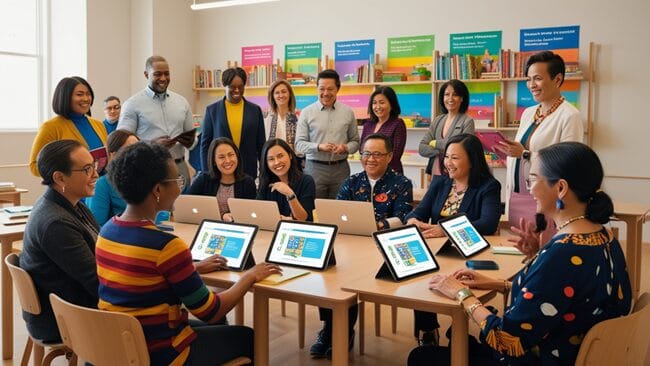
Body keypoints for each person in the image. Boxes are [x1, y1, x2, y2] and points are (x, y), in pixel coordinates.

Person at [409, 142, 632, 365]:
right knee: (461, 339)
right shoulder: (603, 236)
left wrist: (463, 295)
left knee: (421, 357)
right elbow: (560, 294)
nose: (530, 189)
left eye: (533, 179)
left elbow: (506, 340)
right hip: (577, 350)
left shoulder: (562, 254)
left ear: (561, 188)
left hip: (537, 357)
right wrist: (501, 283)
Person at [96, 141, 282, 366]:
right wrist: (249, 276)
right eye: (177, 181)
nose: (180, 188)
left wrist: (193, 268)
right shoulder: (167, 245)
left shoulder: (107, 231)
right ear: (157, 190)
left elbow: (143, 281)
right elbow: (210, 311)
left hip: (118, 343)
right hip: (160, 352)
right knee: (247, 337)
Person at [310, 133, 413, 359]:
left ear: (389, 156)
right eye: (366, 153)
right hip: (349, 243)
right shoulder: (352, 181)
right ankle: (329, 327)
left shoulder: (401, 183)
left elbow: (403, 217)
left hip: (381, 247)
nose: (371, 159)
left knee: (349, 278)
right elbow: (337, 210)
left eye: (377, 154)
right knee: (328, 269)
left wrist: (378, 223)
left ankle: (344, 330)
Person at [405, 133, 501, 345]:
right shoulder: (440, 183)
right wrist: (413, 221)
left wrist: (446, 230)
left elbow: (488, 223)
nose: (448, 163)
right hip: (437, 249)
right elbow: (416, 212)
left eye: (455, 158)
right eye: (447, 157)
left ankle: (462, 327)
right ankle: (428, 329)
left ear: (472, 160)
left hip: (469, 253)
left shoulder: (488, 186)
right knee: (420, 274)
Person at [496, 51, 584, 247]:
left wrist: (525, 154)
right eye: (529, 79)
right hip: (518, 196)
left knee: (544, 253)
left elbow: (570, 162)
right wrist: (510, 151)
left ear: (557, 79)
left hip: (546, 200)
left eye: (537, 78)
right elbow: (525, 149)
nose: (531, 85)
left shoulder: (570, 116)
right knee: (521, 252)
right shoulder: (528, 113)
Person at [20, 139, 100, 342]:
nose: (96, 174)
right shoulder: (56, 223)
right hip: (61, 318)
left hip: (69, 304)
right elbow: (97, 283)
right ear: (60, 178)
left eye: (95, 166)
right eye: (87, 169)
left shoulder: (71, 203)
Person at [118, 55, 196, 187]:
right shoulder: (132, 104)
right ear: (146, 74)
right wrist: (151, 146)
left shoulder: (182, 102)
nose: (163, 78)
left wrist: (191, 142)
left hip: (179, 168)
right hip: (149, 169)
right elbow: (121, 144)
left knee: (183, 207)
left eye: (167, 74)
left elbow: (193, 140)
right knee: (152, 207)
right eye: (157, 74)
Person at [295, 69, 360, 199]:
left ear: (338, 89)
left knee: (340, 210)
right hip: (314, 168)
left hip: (340, 168)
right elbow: (299, 145)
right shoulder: (307, 112)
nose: (325, 93)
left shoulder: (348, 112)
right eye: (322, 89)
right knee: (314, 209)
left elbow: (356, 142)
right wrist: (319, 147)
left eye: (330, 89)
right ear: (317, 89)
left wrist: (346, 148)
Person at [29, 76, 108, 177]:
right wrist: (66, 171)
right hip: (69, 190)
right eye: (79, 94)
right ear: (65, 97)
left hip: (98, 186)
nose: (85, 98)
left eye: (88, 94)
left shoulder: (99, 125)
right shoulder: (51, 127)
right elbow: (34, 166)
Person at [200, 67, 265, 179]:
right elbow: (205, 145)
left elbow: (261, 145)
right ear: (224, 86)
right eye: (232, 87)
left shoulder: (255, 110)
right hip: (220, 171)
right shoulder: (212, 111)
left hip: (248, 171)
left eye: (240, 87)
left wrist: (264, 171)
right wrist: (207, 172)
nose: (237, 90)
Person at [186, 137, 256, 222]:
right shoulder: (203, 179)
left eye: (231, 155)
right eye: (221, 157)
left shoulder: (248, 182)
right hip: (207, 226)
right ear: (214, 161)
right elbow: (187, 205)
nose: (227, 160)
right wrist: (222, 216)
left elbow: (251, 214)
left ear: (237, 156)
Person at [418, 79, 474, 177]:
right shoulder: (437, 120)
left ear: (462, 98)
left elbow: (463, 149)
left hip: (457, 175)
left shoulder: (467, 121)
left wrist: (435, 143)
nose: (450, 98)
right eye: (447, 94)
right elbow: (422, 148)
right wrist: (444, 152)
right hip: (434, 174)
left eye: (455, 95)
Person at [87, 130, 139, 226]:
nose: (136, 155)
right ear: (113, 155)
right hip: (117, 239)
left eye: (139, 149)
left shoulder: (144, 180)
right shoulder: (101, 185)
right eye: (129, 150)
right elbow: (97, 227)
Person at [257, 138, 315, 222]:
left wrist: (290, 194)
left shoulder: (306, 181)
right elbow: (258, 212)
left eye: (280, 156)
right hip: (271, 229)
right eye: (271, 159)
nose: (277, 162)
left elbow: (304, 219)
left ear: (290, 155)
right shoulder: (266, 181)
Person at [360, 86, 407, 174]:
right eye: (374, 103)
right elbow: (362, 150)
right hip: (370, 172)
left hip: (391, 173)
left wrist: (374, 161)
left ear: (391, 104)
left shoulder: (398, 124)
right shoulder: (368, 124)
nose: (377, 107)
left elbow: (395, 155)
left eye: (382, 102)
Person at [264, 79, 298, 150]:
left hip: (293, 158)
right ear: (272, 96)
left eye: (284, 92)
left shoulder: (297, 117)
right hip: (272, 158)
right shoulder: (266, 117)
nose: (281, 95)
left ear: (289, 94)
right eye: (277, 93)